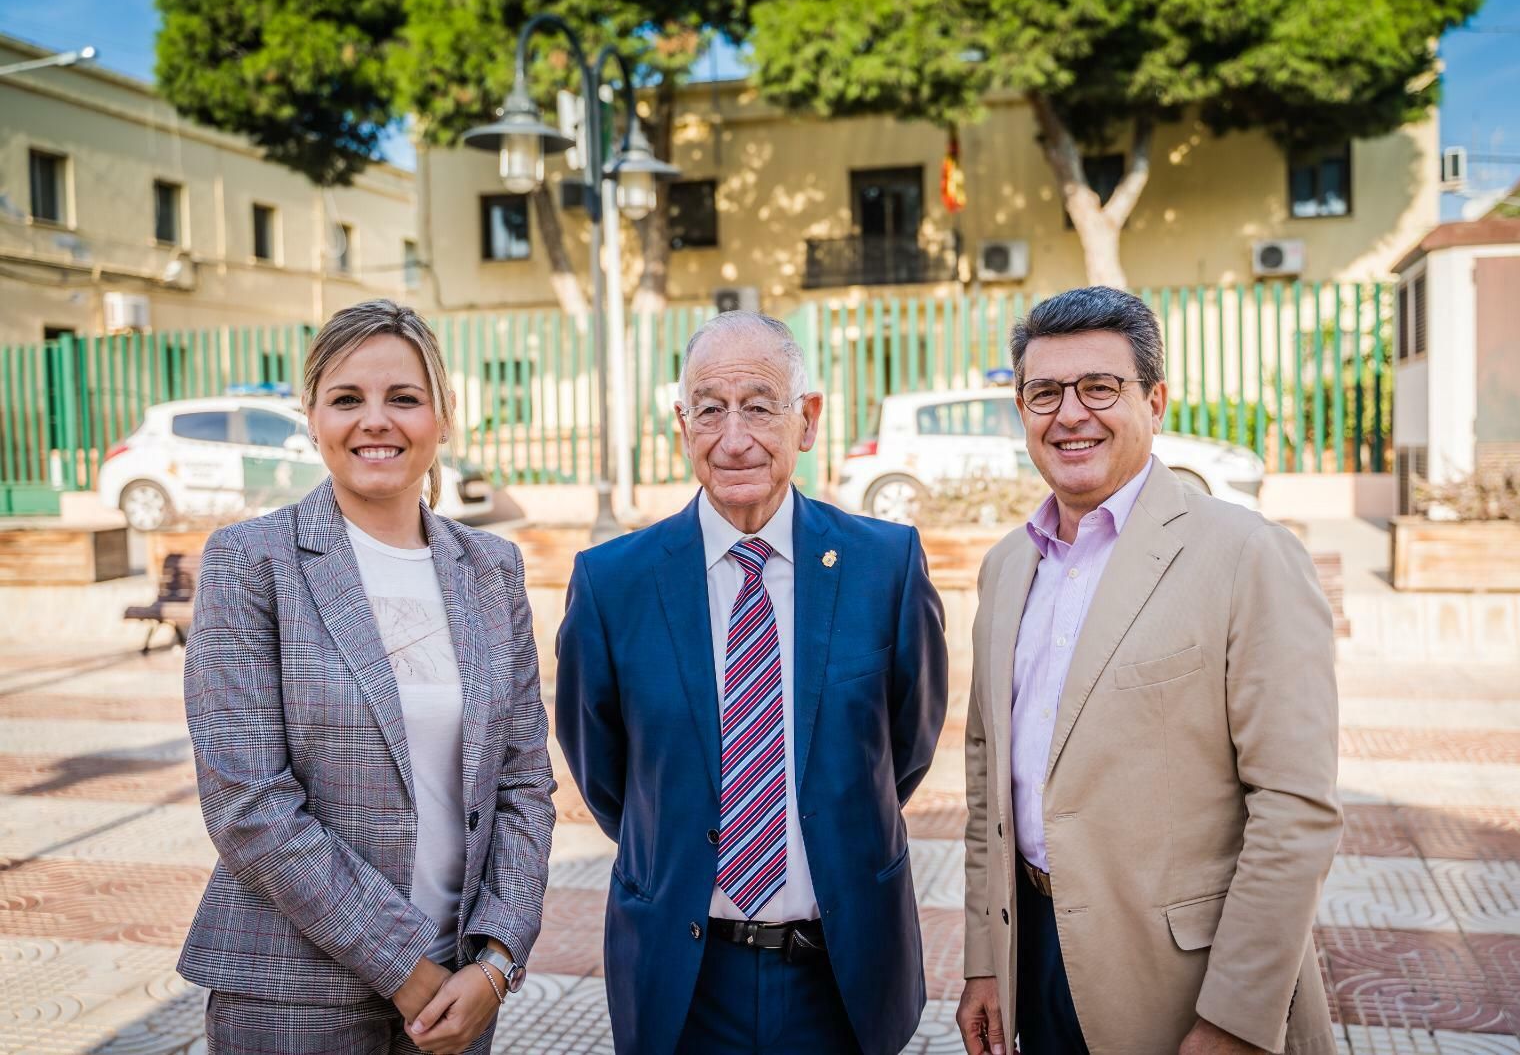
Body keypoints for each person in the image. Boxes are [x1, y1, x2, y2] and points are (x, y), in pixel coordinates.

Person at [956, 287, 1341, 1055]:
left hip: (1185, 987)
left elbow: (1295, 809)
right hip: (1035, 961)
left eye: (1101, 387)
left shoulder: (1246, 555)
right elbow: (984, 779)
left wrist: (1233, 1018)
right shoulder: (1006, 567)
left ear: (1155, 400)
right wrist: (983, 965)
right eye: (1044, 392)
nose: (1070, 414)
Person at [556, 310, 948, 1055]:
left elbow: (907, 746)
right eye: (710, 409)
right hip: (682, 980)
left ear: (808, 420)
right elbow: (606, 776)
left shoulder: (885, 567)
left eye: (761, 406)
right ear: (682, 424)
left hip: (842, 975)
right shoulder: (612, 584)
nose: (734, 437)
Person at [179, 299, 557, 1054]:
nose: (375, 420)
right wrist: (403, 967)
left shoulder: (491, 570)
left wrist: (496, 960)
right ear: (311, 417)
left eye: (404, 399)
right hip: (291, 994)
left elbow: (524, 784)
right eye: (347, 399)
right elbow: (247, 801)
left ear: (442, 417)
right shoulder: (252, 562)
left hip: (459, 994)